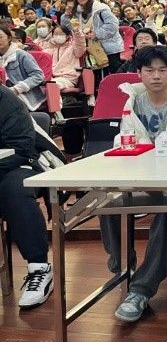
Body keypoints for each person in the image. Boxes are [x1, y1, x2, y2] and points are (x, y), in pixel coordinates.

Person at [103, 46, 167, 322]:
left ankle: (141, 289)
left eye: (163, 70)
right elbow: (125, 138)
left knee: (166, 208)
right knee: (108, 201)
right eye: (149, 70)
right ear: (139, 73)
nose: (156, 76)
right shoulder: (134, 102)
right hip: (143, 174)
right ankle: (122, 268)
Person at [0, 85, 55, 308]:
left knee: (15, 189)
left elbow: (22, 148)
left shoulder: (6, 100)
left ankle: (39, 268)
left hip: (19, 163)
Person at [74, 0, 124, 73]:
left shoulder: (100, 9)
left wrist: (96, 34)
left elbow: (113, 24)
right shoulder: (79, 11)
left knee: (113, 73)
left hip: (109, 47)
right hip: (93, 48)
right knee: (98, 74)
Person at [0, 26, 46, 110]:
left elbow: (38, 75)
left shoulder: (21, 55)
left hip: (22, 95)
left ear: (9, 38)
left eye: (0, 37)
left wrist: (17, 89)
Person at [43, 23, 86, 89]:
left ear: (67, 36)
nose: (58, 36)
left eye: (61, 34)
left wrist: (77, 32)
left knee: (51, 85)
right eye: (56, 34)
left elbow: (80, 45)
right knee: (42, 85)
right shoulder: (49, 49)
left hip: (68, 78)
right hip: (52, 78)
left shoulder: (73, 48)